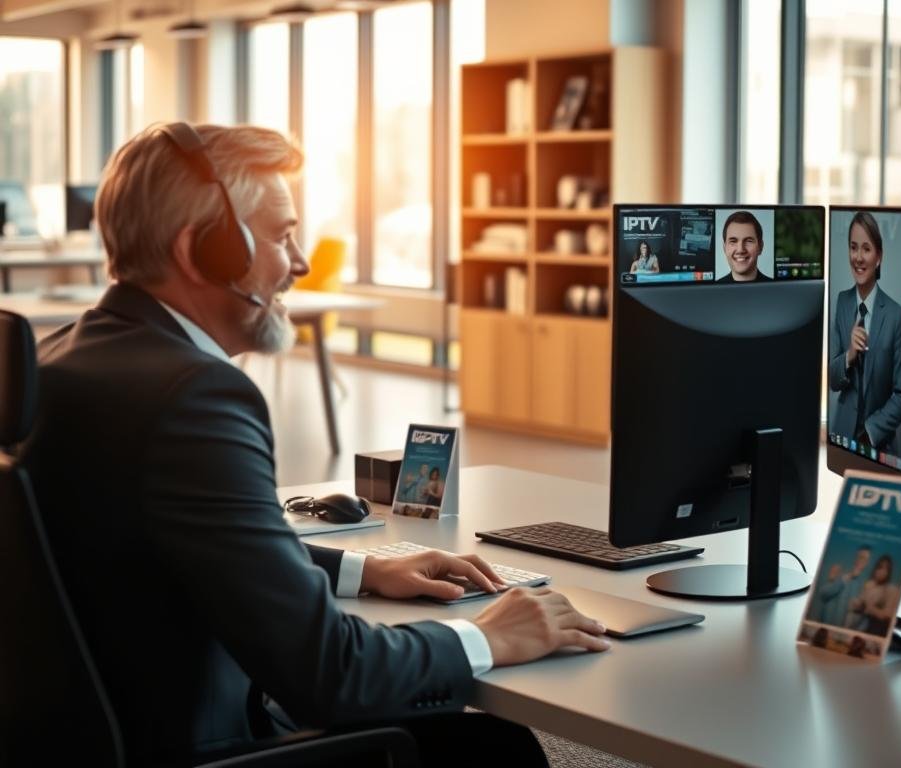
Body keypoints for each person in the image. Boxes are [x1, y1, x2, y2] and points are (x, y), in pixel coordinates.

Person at [20, 123, 609, 767]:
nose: (298, 262)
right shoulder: (194, 395)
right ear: (204, 250)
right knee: (496, 752)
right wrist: (485, 636)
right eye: (281, 235)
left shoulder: (63, 357)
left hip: (92, 732)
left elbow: (168, 546)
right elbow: (333, 676)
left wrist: (362, 570)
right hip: (200, 746)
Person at [828, 211, 901, 452]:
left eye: (866, 249)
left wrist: (871, 432)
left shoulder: (895, 315)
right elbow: (832, 379)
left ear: (879, 256)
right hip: (841, 436)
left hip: (877, 445)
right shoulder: (842, 302)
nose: (858, 257)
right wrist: (850, 355)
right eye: (853, 248)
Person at [849, 554, 900, 636]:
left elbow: (887, 615)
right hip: (861, 626)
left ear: (889, 572)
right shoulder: (869, 584)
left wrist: (868, 608)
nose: (882, 571)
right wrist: (857, 604)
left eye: (886, 569)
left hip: (877, 631)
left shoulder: (891, 590)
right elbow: (859, 603)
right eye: (879, 567)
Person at [716, 210, 771, 282]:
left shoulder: (777, 288)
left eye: (748, 241)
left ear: (760, 247)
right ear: (724, 248)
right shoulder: (712, 290)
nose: (740, 250)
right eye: (733, 241)